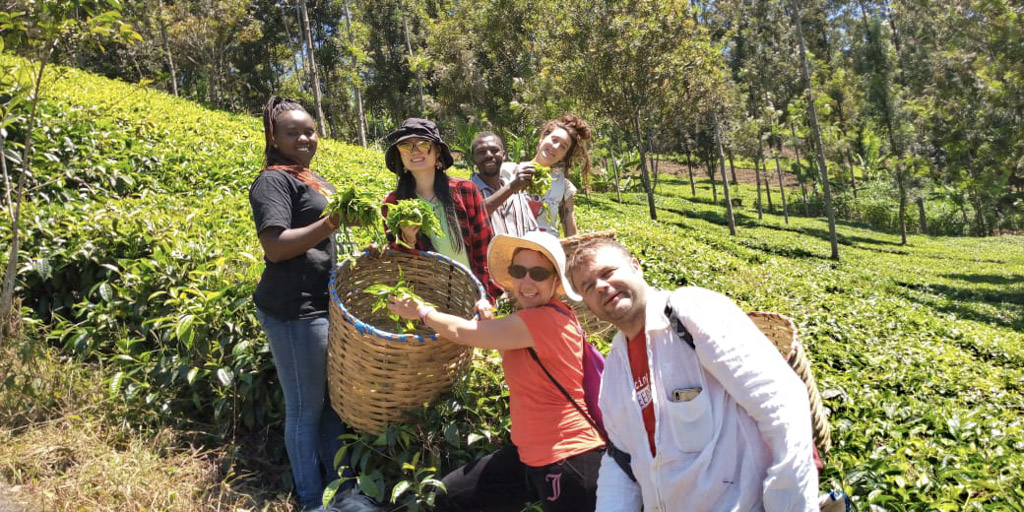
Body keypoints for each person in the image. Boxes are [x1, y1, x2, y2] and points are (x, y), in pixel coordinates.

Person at [565, 238, 819, 511]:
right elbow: (622, 458)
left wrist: (787, 501)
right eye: (588, 287)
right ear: (588, 304)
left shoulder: (689, 313)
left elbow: (780, 403)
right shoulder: (615, 369)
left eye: (608, 273)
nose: (601, 287)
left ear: (636, 267)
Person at [387, 231, 606, 512]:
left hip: (571, 458)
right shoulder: (535, 322)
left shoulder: (545, 318)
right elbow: (518, 356)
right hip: (530, 456)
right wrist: (490, 323)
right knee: (451, 496)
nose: (527, 282)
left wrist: (423, 312)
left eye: (538, 273)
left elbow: (461, 332)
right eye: (519, 271)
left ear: (555, 281)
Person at [248, 96, 377, 512]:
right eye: (293, 132)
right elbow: (276, 247)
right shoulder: (273, 181)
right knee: (306, 409)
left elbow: (321, 238)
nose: (305, 137)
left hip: (322, 303)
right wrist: (333, 222)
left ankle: (341, 493)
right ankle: (310, 501)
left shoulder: (307, 175)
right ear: (273, 137)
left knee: (330, 407)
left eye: (310, 130)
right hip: (293, 309)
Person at [382, 118, 502, 302]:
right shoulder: (394, 204)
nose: (415, 151)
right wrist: (408, 239)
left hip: (470, 296)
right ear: (400, 156)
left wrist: (484, 297)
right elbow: (401, 264)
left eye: (423, 144)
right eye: (406, 146)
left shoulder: (465, 191)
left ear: (437, 151)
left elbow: (484, 249)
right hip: (427, 302)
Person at [525, 115, 592, 238]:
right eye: (554, 140)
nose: (555, 147)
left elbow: (570, 230)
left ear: (564, 156)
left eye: (563, 147)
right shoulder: (512, 172)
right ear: (542, 138)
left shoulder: (563, 186)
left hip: (548, 248)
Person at [468, 131, 538, 237]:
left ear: (504, 155)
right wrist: (512, 187)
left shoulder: (518, 193)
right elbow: (478, 213)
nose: (489, 155)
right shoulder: (466, 191)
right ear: (473, 159)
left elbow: (532, 229)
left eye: (494, 150)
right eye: (481, 152)